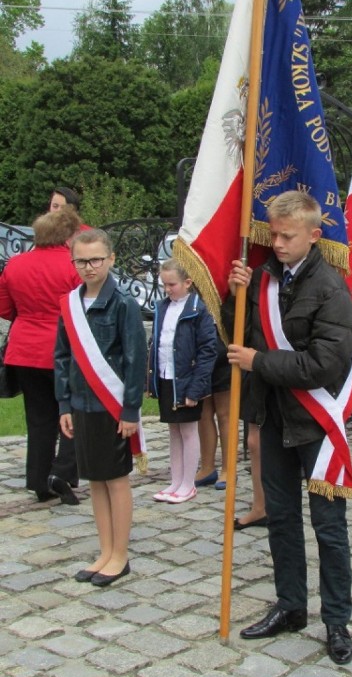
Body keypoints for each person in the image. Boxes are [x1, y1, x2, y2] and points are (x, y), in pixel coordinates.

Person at [224, 191, 352, 665]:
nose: (276, 243)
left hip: (316, 424)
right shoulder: (263, 279)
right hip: (273, 417)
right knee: (279, 518)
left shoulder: (332, 289)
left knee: (328, 527)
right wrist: (234, 296)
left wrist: (260, 361)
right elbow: (237, 335)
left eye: (287, 236)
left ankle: (337, 621)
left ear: (314, 235)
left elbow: (324, 363)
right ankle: (291, 606)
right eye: (273, 234)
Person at [55, 229, 147, 586]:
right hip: (81, 403)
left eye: (96, 259)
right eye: (82, 260)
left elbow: (135, 361)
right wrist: (64, 402)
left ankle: (120, 555)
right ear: (73, 262)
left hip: (112, 406)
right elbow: (62, 356)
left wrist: (130, 410)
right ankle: (105, 550)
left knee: (116, 479)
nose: (89, 267)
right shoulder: (71, 304)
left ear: (110, 259)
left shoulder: (123, 303)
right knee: (94, 479)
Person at [0, 207, 82, 503]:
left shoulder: (15, 264)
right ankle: (62, 473)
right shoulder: (72, 266)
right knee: (72, 413)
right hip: (62, 349)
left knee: (39, 419)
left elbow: (5, 308)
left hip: (23, 350)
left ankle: (38, 478)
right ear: (66, 235)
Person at [147, 259, 217, 504]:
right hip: (167, 378)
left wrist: (196, 388)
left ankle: (188, 483)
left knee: (188, 431)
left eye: (172, 284)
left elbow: (208, 350)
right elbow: (157, 344)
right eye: (164, 284)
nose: (167, 289)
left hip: (188, 381)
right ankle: (175, 481)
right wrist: (152, 381)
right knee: (173, 431)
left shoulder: (198, 309)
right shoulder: (162, 307)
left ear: (187, 282)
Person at [194, 348, 231, 491]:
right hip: (202, 349)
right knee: (203, 414)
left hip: (225, 347)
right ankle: (207, 468)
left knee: (224, 414)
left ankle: (228, 469)